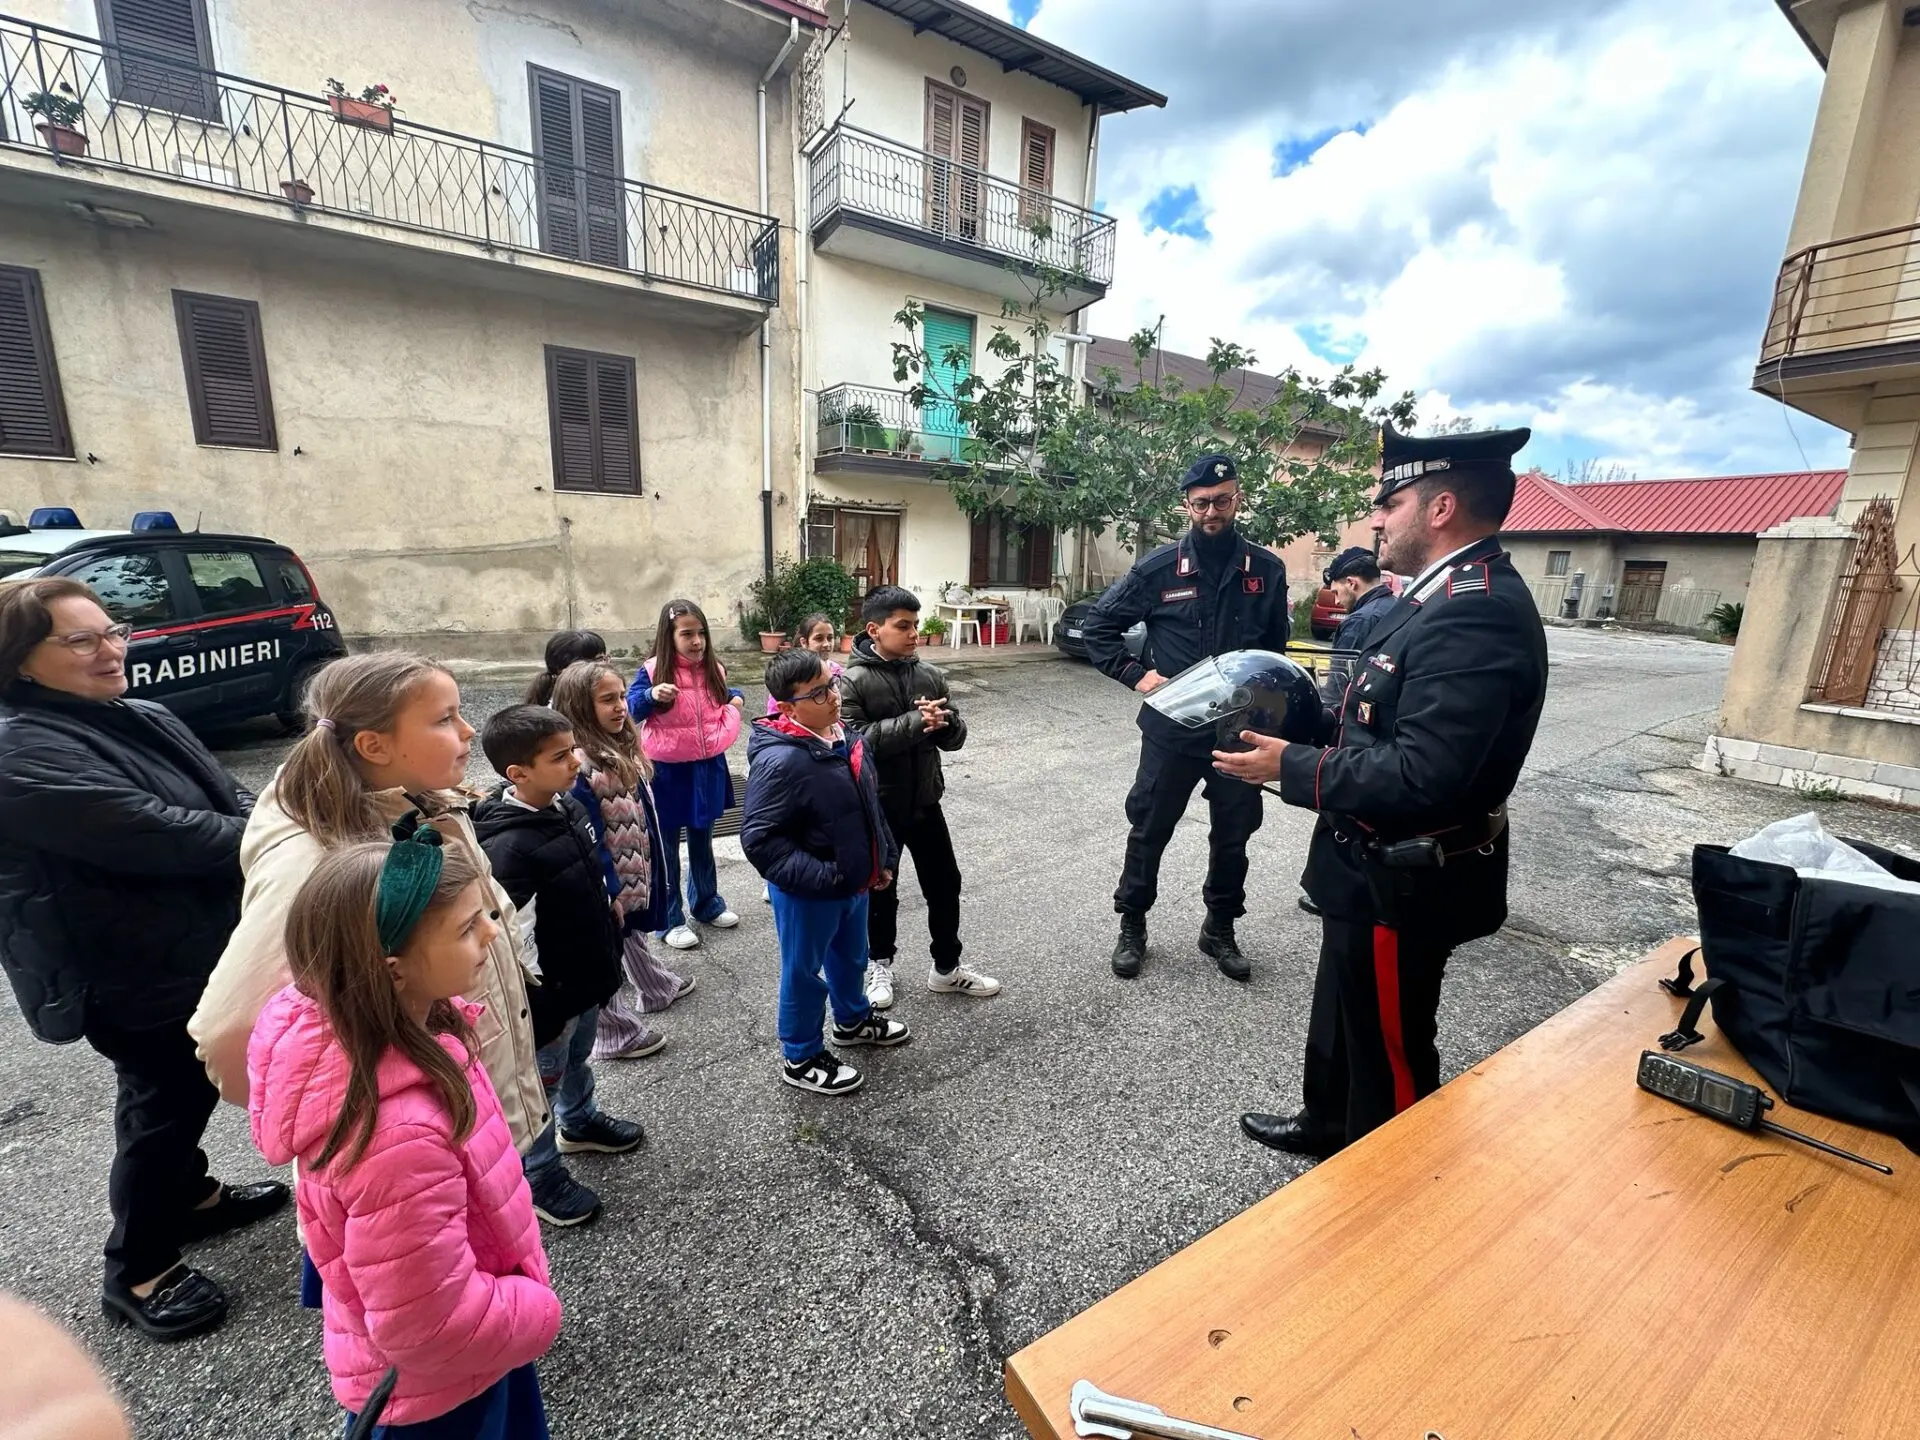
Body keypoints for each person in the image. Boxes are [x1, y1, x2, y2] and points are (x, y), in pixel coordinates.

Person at [1217, 423, 1548, 1158]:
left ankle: (1390, 1185)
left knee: (1392, 1045)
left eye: (1390, 502)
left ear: (1440, 507)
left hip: (1412, 872)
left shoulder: (1478, 610)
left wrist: (1292, 769)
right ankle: (1327, 1124)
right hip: (1365, 859)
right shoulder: (1424, 599)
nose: (1376, 518)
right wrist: (1287, 715)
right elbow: (1368, 712)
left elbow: (1427, 773)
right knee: (1343, 1008)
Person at [0, 577, 287, 1342]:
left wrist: (263, 829)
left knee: (181, 1093)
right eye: (82, 640)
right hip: (123, 969)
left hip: (195, 944)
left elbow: (231, 797)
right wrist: (277, 843)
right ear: (22, 661)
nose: (111, 649)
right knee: (162, 1104)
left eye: (113, 630)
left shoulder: (140, 713)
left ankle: (190, 1199)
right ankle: (138, 1267)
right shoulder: (15, 745)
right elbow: (159, 833)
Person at [249, 833, 562, 1436]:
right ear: (393, 971)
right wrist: (534, 1311)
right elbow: (431, 1325)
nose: (492, 933)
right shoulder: (395, 1134)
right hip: (443, 1387)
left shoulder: (397, 1032)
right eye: (469, 927)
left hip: (467, 1349)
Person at [190, 653, 545, 1155]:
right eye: (445, 718)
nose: (468, 730)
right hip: (412, 1142)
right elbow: (229, 1035)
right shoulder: (318, 859)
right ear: (373, 746)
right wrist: (349, 1113)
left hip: (471, 1099)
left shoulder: (421, 798)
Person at [1081, 453, 1291, 982]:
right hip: (1173, 731)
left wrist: (1274, 722)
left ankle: (1219, 927)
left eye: (1222, 499)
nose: (1212, 511)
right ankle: (1133, 924)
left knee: (1233, 834)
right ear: (1187, 506)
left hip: (1241, 734)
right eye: (1201, 503)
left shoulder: (1265, 569)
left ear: (1238, 498)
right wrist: (1141, 678)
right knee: (1149, 828)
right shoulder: (1158, 569)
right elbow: (1099, 629)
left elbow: (1275, 654)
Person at [475, 706, 645, 1229]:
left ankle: (580, 1119)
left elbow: (592, 863)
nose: (575, 761)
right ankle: (539, 1172)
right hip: (551, 995)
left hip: (587, 971)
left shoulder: (566, 805)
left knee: (578, 1058)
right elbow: (515, 933)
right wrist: (541, 998)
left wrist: (609, 900)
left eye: (572, 749)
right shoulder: (507, 845)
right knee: (538, 1085)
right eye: (560, 756)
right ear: (517, 774)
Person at [741, 649, 908, 1095]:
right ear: (788, 707)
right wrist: (827, 877)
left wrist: (883, 859)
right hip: (809, 890)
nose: (832, 697)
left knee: (851, 957)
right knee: (803, 971)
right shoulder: (782, 760)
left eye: (831, 685)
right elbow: (761, 840)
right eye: (817, 693)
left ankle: (852, 1021)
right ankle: (801, 1056)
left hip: (854, 881)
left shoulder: (845, 738)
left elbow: (872, 806)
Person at [838, 585, 999, 1009]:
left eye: (915, 624)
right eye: (903, 626)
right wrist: (915, 722)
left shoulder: (929, 674)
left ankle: (947, 967)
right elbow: (856, 744)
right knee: (881, 890)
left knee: (945, 884)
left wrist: (945, 725)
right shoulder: (851, 681)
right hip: (878, 807)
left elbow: (955, 737)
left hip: (926, 802)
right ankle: (880, 964)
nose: (914, 634)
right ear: (875, 629)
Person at [550, 660, 691, 1062]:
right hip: (608, 879)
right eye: (606, 700)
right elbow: (588, 836)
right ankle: (612, 1033)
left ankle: (655, 985)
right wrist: (607, 886)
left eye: (620, 697)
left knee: (632, 933)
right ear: (579, 706)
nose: (620, 707)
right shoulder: (581, 765)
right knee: (607, 952)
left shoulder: (615, 747)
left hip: (633, 869)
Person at [628, 600, 745, 951]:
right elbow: (632, 708)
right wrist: (650, 694)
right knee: (664, 849)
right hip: (665, 771)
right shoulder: (651, 670)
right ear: (669, 636)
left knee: (702, 841)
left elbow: (727, 693)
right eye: (687, 634)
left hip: (707, 767)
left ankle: (707, 904)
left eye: (702, 633)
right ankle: (669, 919)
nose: (696, 641)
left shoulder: (714, 668)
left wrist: (736, 699)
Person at [1323, 547, 1398, 654]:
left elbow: (1343, 668)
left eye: (1336, 593)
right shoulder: (1397, 605)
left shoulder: (1359, 621)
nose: (1337, 601)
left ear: (1351, 583)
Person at [523, 629, 607, 707]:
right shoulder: (565, 710)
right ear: (564, 668)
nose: (605, 666)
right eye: (599, 660)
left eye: (604, 659)